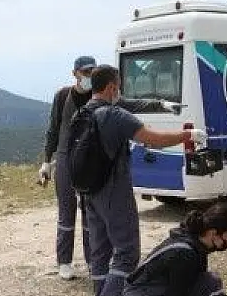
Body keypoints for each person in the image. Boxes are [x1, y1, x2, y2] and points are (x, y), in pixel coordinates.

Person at [80, 64, 207, 296]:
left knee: (100, 250)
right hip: (114, 190)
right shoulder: (114, 115)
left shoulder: (83, 113)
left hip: (89, 192)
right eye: (119, 88)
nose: (120, 93)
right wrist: (188, 135)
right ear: (112, 87)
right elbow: (154, 139)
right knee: (127, 251)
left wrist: (160, 104)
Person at [40, 56, 181, 281]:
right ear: (75, 73)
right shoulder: (62, 96)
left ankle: (92, 261)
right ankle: (64, 261)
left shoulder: (102, 97)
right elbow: (53, 130)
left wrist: (161, 104)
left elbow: (133, 104)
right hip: (67, 158)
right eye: (84, 72)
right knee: (66, 212)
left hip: (92, 161)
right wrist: (47, 161)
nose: (88, 75)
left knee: (90, 214)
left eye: (91, 71)